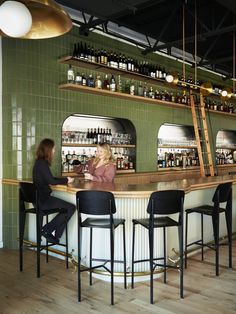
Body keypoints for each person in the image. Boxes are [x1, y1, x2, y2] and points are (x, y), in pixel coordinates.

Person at [32, 138, 75, 244]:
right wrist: (67, 180)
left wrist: (63, 180)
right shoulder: (42, 163)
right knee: (71, 207)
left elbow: (49, 178)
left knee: (68, 208)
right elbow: (51, 181)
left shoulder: (39, 163)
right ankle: (47, 230)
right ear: (48, 150)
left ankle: (55, 236)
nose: (54, 151)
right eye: (54, 149)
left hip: (39, 199)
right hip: (43, 200)